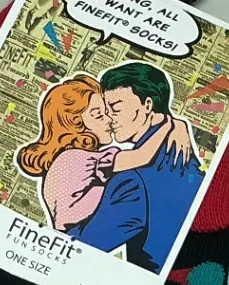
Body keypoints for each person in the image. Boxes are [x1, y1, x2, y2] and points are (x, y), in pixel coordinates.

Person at [74, 62, 202, 273]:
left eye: (115, 108)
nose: (109, 118)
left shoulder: (132, 179)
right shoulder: (185, 158)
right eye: (105, 109)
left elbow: (82, 247)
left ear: (147, 105)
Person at [15, 74, 186, 232]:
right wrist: (169, 125)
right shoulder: (78, 159)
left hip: (71, 229)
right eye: (98, 115)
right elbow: (142, 156)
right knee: (129, 184)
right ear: (76, 123)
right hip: (80, 228)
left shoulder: (67, 158)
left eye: (107, 113)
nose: (109, 119)